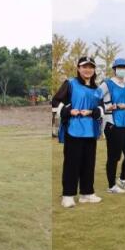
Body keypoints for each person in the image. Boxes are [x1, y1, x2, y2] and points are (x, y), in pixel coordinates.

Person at [52, 56, 104, 208]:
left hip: (91, 130)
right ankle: (68, 195)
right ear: (78, 68)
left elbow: (101, 108)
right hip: (73, 129)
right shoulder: (70, 84)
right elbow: (56, 101)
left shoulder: (97, 89)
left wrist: (92, 112)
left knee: (89, 163)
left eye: (91, 67)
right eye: (84, 67)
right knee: (72, 163)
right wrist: (69, 110)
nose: (88, 70)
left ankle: (87, 193)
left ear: (94, 69)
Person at [98, 57, 125, 194]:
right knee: (114, 156)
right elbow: (95, 98)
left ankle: (123, 178)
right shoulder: (107, 84)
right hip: (113, 123)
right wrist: (107, 107)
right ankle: (111, 186)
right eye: (120, 67)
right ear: (114, 69)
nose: (122, 70)